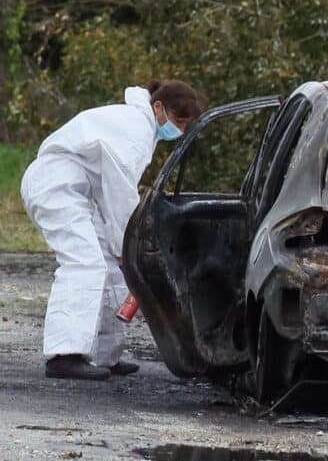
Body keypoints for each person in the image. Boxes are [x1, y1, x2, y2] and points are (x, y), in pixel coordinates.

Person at [21, 80, 205, 380]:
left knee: (111, 269)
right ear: (159, 107)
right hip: (55, 185)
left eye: (186, 125)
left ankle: (105, 356)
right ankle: (63, 356)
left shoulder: (140, 127)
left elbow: (110, 190)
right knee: (84, 263)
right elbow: (120, 192)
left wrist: (120, 250)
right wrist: (125, 246)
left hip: (78, 192)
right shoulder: (134, 128)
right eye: (178, 121)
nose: (180, 130)